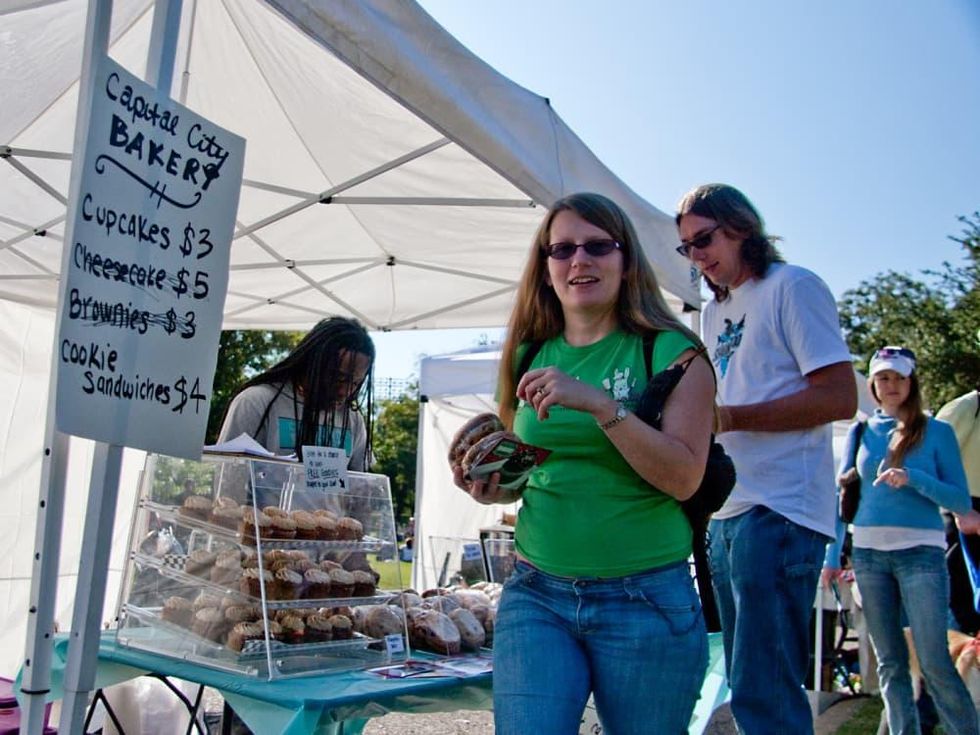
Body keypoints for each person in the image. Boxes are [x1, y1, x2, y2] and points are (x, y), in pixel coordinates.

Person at [455, 192, 716, 733]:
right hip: (537, 592)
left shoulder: (672, 352)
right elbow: (531, 470)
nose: (580, 260)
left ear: (626, 262)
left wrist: (601, 405)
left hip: (645, 598)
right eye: (563, 249)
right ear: (545, 267)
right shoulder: (528, 353)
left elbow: (685, 478)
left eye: (599, 246)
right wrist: (493, 486)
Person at [676, 183, 857, 733]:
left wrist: (731, 418)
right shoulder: (713, 313)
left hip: (780, 509)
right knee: (746, 682)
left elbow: (839, 397)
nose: (697, 255)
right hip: (730, 511)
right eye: (686, 247)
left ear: (742, 227)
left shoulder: (793, 286)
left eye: (704, 239)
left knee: (764, 690)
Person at [832, 346, 978, 735]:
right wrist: (833, 555)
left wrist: (913, 478)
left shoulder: (938, 432)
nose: (890, 385)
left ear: (911, 382)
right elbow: (843, 497)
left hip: (921, 557)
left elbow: (960, 501)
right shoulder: (862, 430)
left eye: (898, 377)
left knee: (934, 662)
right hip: (868, 556)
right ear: (873, 384)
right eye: (882, 378)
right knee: (890, 664)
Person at [218, 316, 374, 467]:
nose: (345, 392)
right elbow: (227, 477)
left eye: (355, 383)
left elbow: (361, 487)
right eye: (339, 378)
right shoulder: (256, 402)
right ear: (312, 363)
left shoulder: (353, 420)